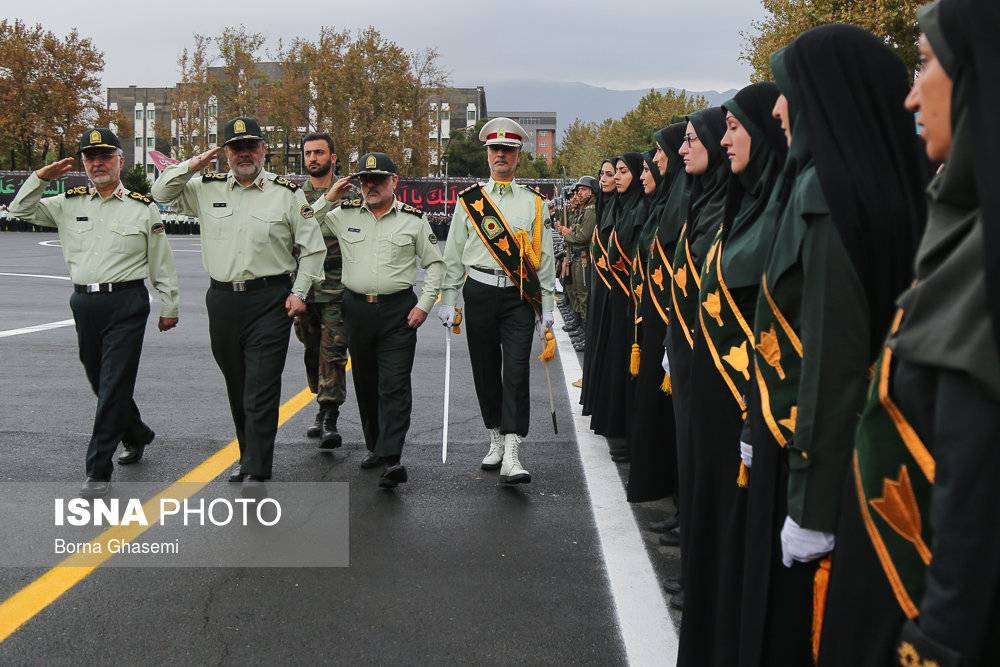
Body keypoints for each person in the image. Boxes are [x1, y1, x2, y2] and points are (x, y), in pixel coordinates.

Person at [821, 5, 1000, 666]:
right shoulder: (958, 229)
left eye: (925, 61)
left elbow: (972, 499)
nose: (909, 91)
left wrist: (933, 646)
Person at [151, 116, 326, 484]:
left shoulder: (286, 193)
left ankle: (258, 467)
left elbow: (312, 249)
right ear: (225, 153)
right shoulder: (205, 187)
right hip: (223, 301)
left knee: (261, 385)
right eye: (236, 147)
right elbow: (160, 194)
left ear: (263, 149)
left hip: (270, 300)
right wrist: (192, 164)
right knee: (238, 384)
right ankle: (248, 454)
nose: (244, 153)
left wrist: (299, 292)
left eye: (251, 146)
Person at [9, 128, 179, 497]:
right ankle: (137, 432)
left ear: (121, 160)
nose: (97, 164)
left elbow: (160, 261)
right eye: (90, 158)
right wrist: (40, 178)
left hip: (127, 302)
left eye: (105, 156)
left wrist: (170, 303)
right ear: (84, 164)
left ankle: (97, 468)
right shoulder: (68, 203)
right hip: (84, 303)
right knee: (99, 379)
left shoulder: (141, 207)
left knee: (114, 381)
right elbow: (18, 210)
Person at [438, 117, 556, 484]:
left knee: (517, 371)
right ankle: (494, 437)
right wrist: (448, 297)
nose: (501, 155)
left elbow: (546, 258)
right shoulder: (470, 201)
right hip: (479, 291)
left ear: (519, 155)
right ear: (487, 154)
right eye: (495, 149)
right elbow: (454, 254)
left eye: (508, 149)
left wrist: (547, 307)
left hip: (518, 295)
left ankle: (513, 449)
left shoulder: (535, 204)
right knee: (485, 369)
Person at [319, 152, 444, 488]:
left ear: (394, 182)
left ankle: (392, 457)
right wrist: (329, 196)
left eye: (378, 179)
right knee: (366, 382)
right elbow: (305, 224)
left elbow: (435, 264)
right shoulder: (342, 215)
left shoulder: (413, 220)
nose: (370, 185)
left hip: (397, 311)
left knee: (395, 384)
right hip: (356, 310)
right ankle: (375, 445)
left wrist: (425, 305)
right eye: (364, 180)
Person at [626, 123, 687, 508]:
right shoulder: (665, 202)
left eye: (658, 155)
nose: (658, 162)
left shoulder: (682, 202)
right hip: (654, 315)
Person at [292, 132, 356, 448]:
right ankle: (320, 397)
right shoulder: (293, 196)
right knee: (311, 349)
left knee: (333, 352)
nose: (313, 158)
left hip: (338, 289)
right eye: (308, 153)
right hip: (305, 288)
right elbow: (296, 233)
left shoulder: (351, 194)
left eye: (319, 152)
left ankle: (328, 416)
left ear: (333, 157)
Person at [599, 153, 646, 461]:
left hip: (633, 300)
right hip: (616, 297)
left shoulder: (640, 209)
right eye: (614, 171)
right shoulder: (620, 205)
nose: (616, 177)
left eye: (623, 171)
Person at [580, 159, 618, 418]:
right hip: (599, 286)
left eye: (611, 174)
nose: (603, 179)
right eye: (601, 173)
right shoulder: (605, 206)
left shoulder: (612, 209)